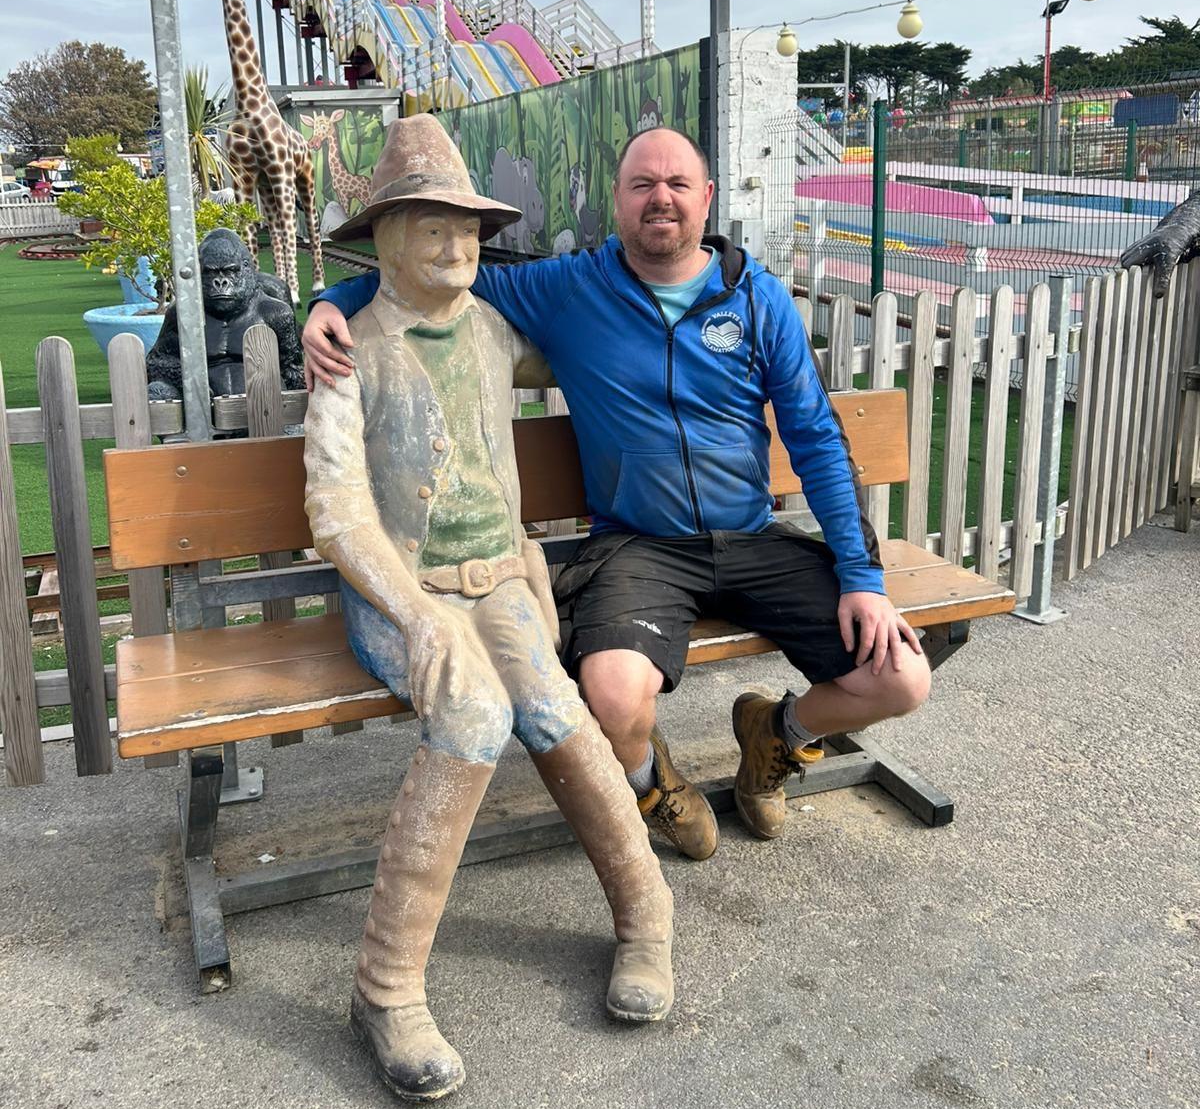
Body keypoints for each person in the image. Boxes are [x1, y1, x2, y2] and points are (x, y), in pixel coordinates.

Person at [305, 125, 930, 863]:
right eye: (642, 185)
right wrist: (331, 300)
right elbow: (430, 275)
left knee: (899, 677)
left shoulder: (758, 300)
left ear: (705, 198)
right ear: (618, 201)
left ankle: (776, 736)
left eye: (675, 184)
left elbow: (818, 440)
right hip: (639, 547)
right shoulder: (569, 288)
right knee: (609, 693)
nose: (659, 198)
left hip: (751, 537)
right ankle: (654, 785)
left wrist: (861, 579)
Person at [304, 115, 672, 1105]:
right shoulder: (352, 353)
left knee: (554, 708)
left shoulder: (496, 329)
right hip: (404, 593)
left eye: (468, 231)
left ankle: (647, 914)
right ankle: (384, 989)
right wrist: (417, 617)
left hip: (502, 579)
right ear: (387, 243)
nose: (459, 248)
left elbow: (600, 355)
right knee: (473, 712)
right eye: (434, 231)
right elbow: (336, 508)